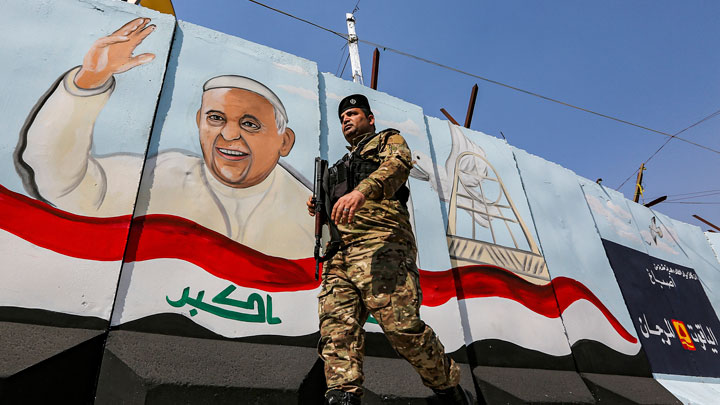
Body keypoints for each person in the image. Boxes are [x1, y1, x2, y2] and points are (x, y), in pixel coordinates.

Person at [16, 18, 312, 259]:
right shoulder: (164, 175)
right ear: (200, 122)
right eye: (216, 119)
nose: (229, 135)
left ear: (284, 141)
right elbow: (60, 182)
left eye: (249, 124)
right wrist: (90, 81)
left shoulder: (308, 210)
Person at [307, 94, 469, 404]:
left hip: (382, 246)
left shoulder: (386, 141)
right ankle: (343, 394)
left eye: (353, 114)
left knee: (402, 327)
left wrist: (361, 191)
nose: (346, 120)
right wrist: (319, 207)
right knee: (337, 328)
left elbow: (398, 165)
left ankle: (448, 388)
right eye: (342, 118)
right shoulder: (338, 167)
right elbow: (334, 211)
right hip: (340, 254)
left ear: (369, 119)